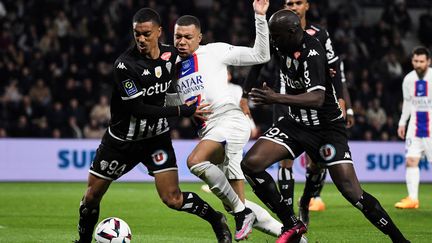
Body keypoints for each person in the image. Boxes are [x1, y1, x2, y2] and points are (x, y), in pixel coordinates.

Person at [241, 10, 410, 243]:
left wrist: (276, 98)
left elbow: (316, 99)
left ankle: (400, 240)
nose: (274, 41)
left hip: (326, 129)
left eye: (277, 36)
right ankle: (291, 223)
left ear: (292, 32)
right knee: (251, 164)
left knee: (352, 193)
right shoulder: (280, 40)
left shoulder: (313, 53)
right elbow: (259, 59)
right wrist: (244, 94)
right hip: (296, 124)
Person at [75, 8, 232, 243]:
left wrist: (227, 88)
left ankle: (216, 220)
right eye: (137, 33)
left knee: (173, 199)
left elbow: (201, 63)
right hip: (120, 143)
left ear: (159, 32)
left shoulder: (172, 56)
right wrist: (182, 110)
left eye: (146, 33)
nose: (141, 39)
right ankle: (84, 241)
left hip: (156, 139)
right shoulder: (125, 66)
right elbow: (138, 109)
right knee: (91, 198)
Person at [170, 0, 283, 241]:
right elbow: (172, 106)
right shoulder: (173, 68)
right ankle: (293, 235)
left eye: (188, 37)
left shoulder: (215, 51)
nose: (181, 42)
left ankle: (242, 213)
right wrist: (184, 110)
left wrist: (259, 16)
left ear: (200, 37)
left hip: (229, 120)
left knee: (195, 161)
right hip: (209, 131)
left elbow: (261, 54)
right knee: (234, 203)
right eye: (178, 36)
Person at [242, 0, 354, 225]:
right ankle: (289, 218)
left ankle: (306, 201)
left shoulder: (319, 35)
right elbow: (258, 60)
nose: (292, 6)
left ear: (307, 7)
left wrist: (344, 101)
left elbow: (335, 69)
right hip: (283, 102)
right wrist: (245, 95)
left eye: (297, 2)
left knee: (316, 163)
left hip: (314, 104)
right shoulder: (278, 33)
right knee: (285, 161)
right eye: (288, 3)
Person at [395, 46, 432, 209]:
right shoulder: (408, 79)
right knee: (411, 160)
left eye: (421, 61)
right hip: (415, 124)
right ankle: (413, 198)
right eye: (415, 61)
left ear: (428, 62)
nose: (418, 64)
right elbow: (407, 103)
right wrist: (402, 122)